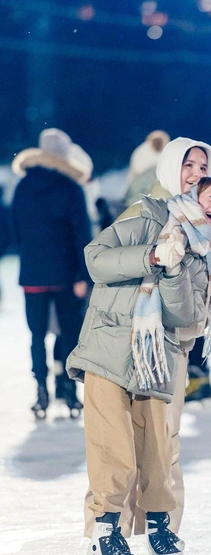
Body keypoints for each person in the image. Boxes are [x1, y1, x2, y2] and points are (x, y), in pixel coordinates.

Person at [67, 138, 211, 555]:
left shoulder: (204, 241)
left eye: (204, 166)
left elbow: (185, 314)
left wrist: (174, 269)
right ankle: (106, 533)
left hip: (159, 357)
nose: (197, 172)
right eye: (189, 164)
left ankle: (159, 527)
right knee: (112, 445)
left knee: (160, 447)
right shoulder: (144, 213)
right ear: (171, 168)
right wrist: (152, 255)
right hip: (110, 346)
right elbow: (95, 259)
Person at [11, 128, 92, 419]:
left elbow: (16, 231)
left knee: (36, 336)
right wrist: (84, 274)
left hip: (32, 274)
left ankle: (41, 394)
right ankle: (70, 394)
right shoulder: (70, 188)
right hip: (66, 275)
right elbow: (82, 234)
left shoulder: (22, 187)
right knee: (70, 332)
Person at [123, 130, 171, 207]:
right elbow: (135, 173)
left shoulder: (169, 153)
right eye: (155, 141)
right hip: (141, 186)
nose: (157, 144)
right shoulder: (141, 153)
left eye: (159, 141)